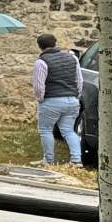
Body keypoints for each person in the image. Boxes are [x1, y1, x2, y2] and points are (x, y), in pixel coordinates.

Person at [31, 32, 83, 166]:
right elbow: (79, 81)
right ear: (55, 43)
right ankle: (76, 160)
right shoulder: (73, 58)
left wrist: (41, 100)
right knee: (68, 130)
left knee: (46, 130)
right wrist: (75, 96)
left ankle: (48, 160)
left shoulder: (41, 62)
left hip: (51, 100)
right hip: (72, 100)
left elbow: (38, 86)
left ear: (40, 47)